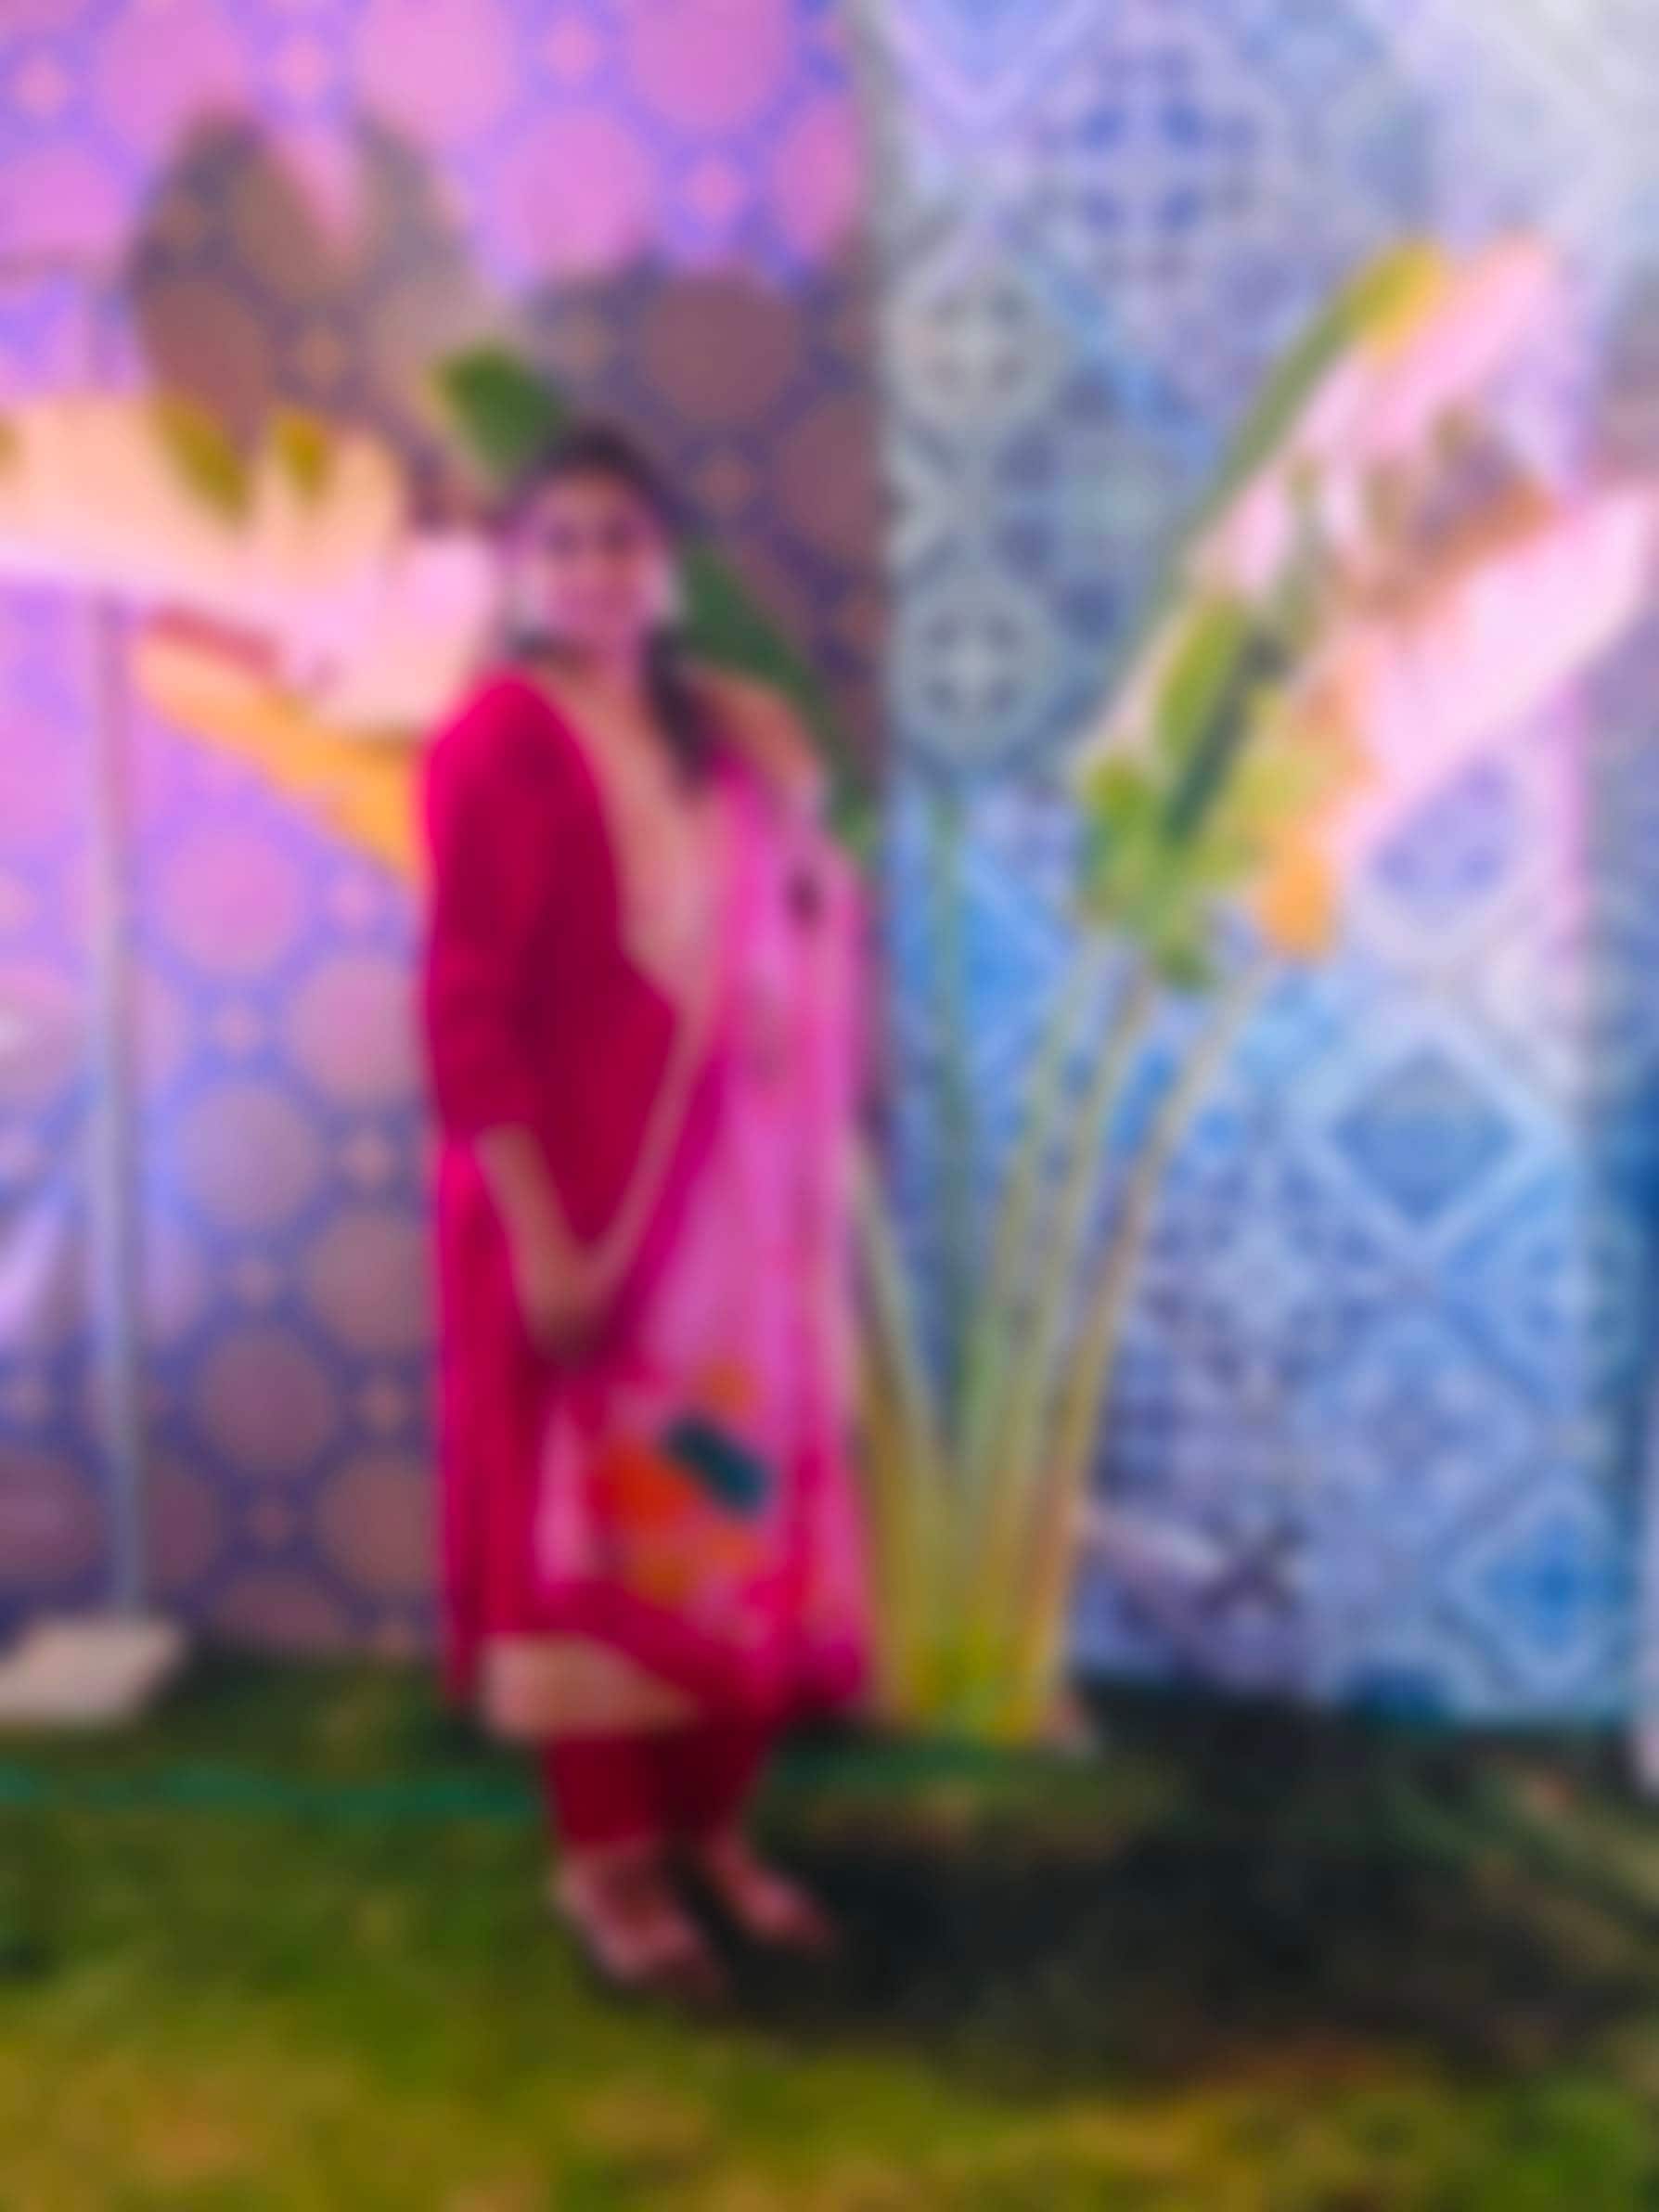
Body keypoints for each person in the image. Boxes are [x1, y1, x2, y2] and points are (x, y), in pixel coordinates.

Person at [421, 424, 869, 2000]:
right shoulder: (499, 739)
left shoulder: (715, 731)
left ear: (665, 564)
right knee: (596, 1526)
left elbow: (800, 927)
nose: (594, 568)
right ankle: (607, 1861)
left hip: (738, 1218)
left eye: (620, 537)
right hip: (593, 1208)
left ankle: (711, 1827)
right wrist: (541, 1235)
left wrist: (794, 787)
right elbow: (465, 1007)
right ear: (518, 571)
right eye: (561, 541)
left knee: (723, 1507)